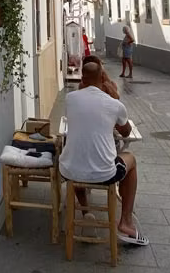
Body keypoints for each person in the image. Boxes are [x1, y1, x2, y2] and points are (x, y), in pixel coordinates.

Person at [59, 62, 148, 246]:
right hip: (104, 174)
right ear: (102, 78)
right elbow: (125, 132)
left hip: (69, 170)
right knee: (130, 159)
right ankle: (126, 221)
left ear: (82, 78)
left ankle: (86, 211)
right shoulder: (114, 104)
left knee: (78, 156)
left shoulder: (70, 99)